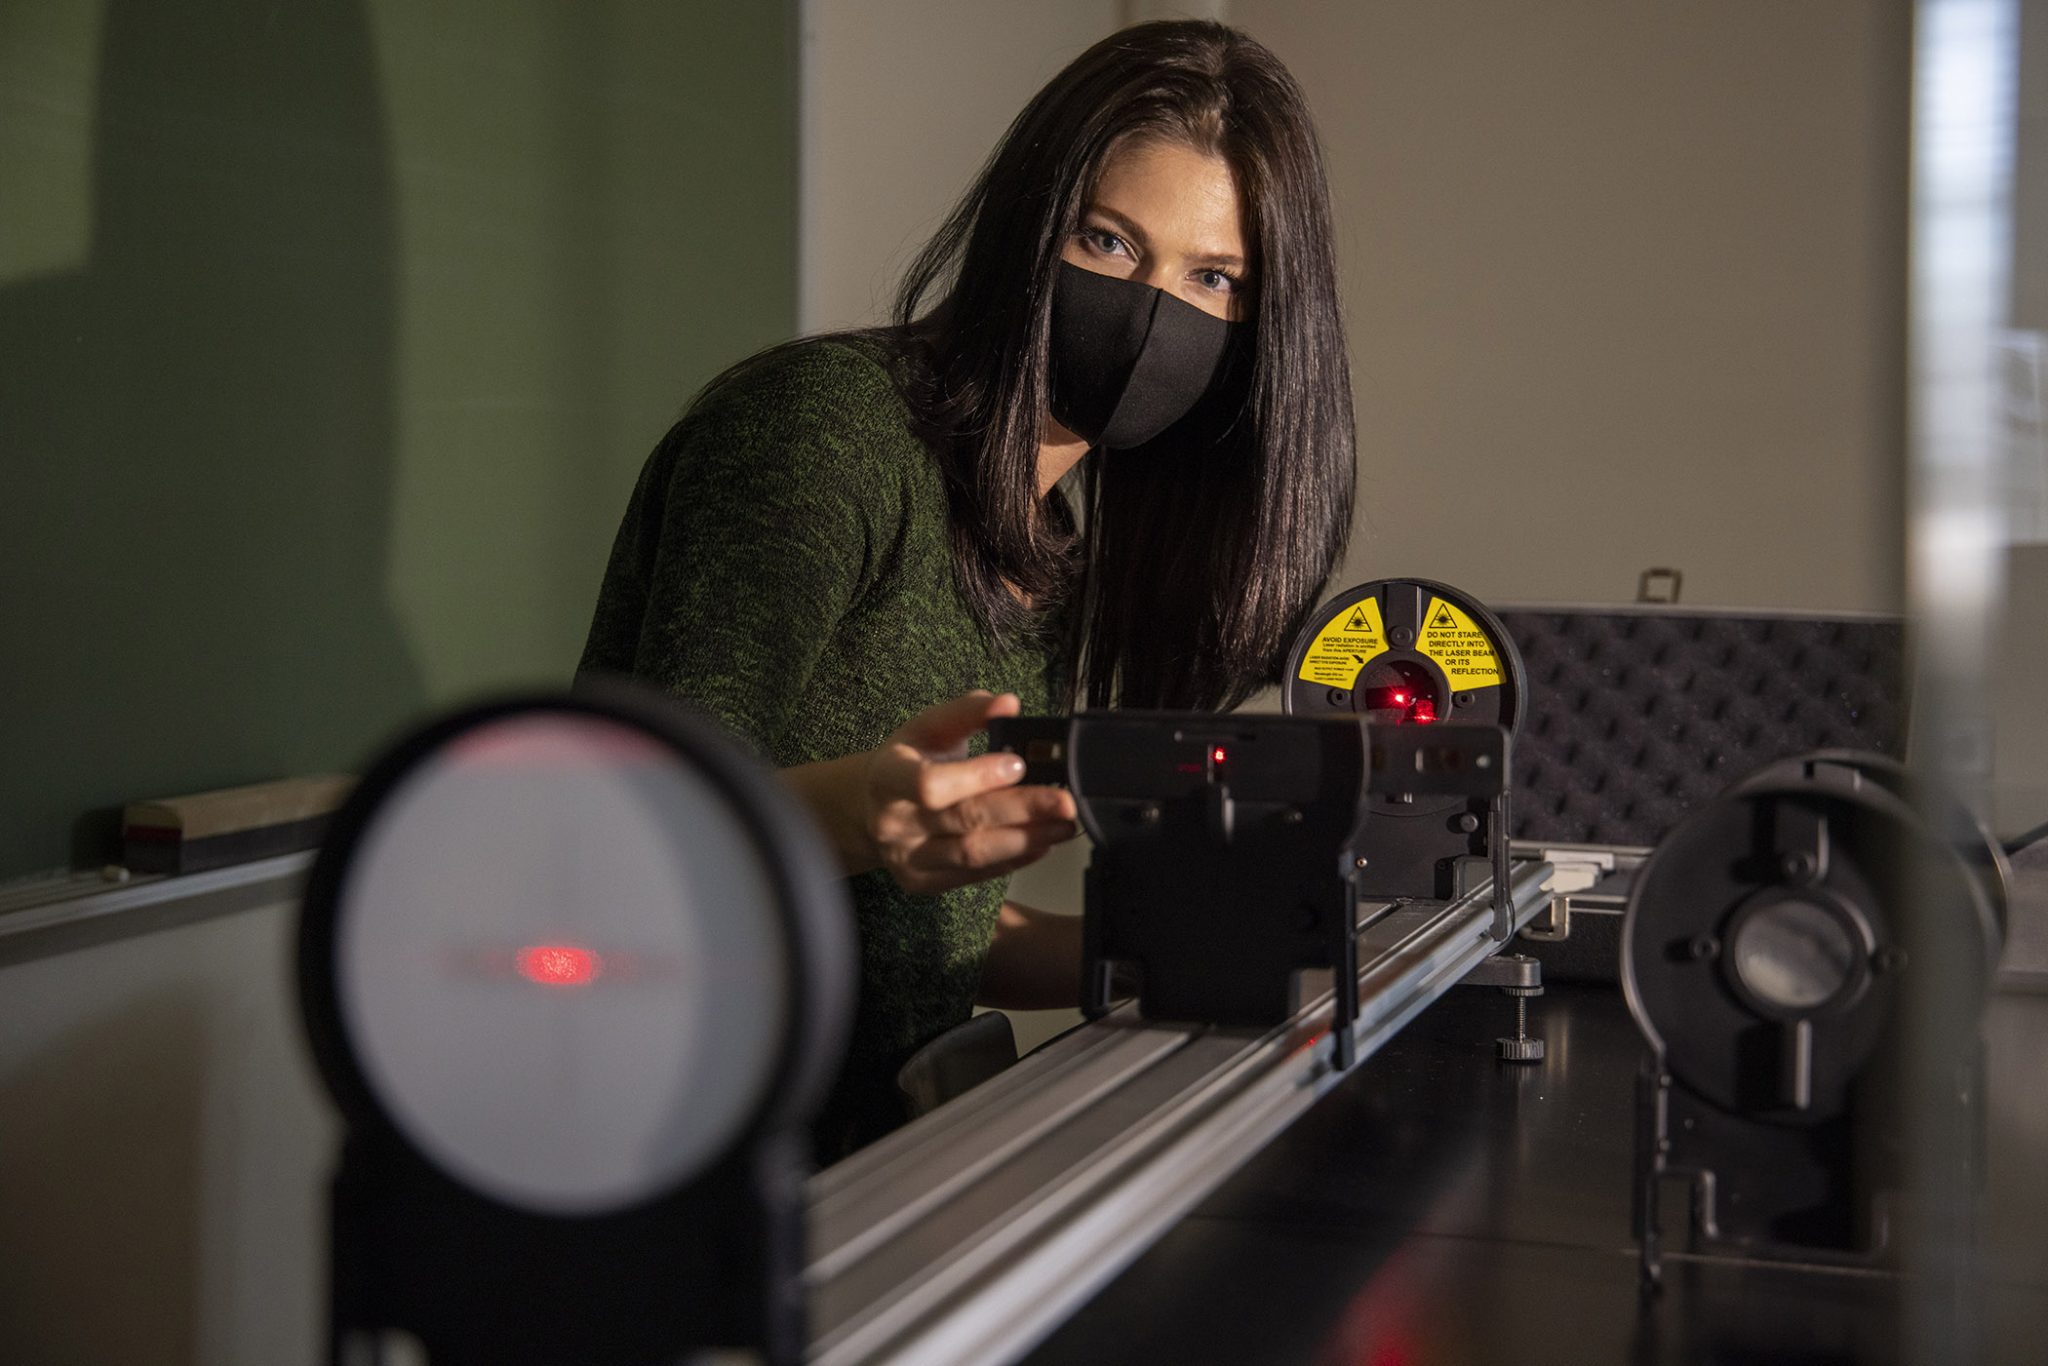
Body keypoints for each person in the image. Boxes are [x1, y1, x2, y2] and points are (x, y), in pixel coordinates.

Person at [577, 19, 1355, 1158]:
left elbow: (927, 927)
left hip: (876, 1162)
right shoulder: (822, 433)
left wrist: (1154, 941)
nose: (1151, 311)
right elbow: (638, 842)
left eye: (1211, 277)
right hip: (679, 1147)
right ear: (1030, 228)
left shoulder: (1047, 545)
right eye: (1107, 241)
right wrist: (866, 814)